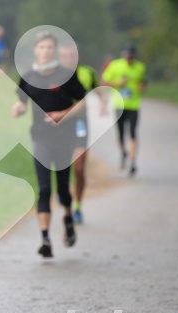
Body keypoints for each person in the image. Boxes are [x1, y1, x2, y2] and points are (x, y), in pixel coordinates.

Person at [11, 31, 86, 258]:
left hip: (64, 139)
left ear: (54, 50)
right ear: (36, 50)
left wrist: (63, 114)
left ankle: (68, 218)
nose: (45, 51)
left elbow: (84, 101)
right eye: (42, 47)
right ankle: (45, 239)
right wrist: (19, 108)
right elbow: (21, 100)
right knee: (44, 188)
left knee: (63, 188)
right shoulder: (28, 76)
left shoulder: (66, 75)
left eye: (49, 48)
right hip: (40, 138)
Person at [59, 42, 108, 224]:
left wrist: (103, 103)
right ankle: (61, 192)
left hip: (80, 123)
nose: (69, 59)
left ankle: (78, 205)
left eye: (72, 56)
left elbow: (99, 90)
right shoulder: (55, 74)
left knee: (79, 168)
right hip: (60, 125)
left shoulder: (87, 73)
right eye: (65, 56)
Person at [101, 44, 146, 176]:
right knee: (120, 134)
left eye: (131, 57)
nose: (129, 59)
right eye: (127, 57)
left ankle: (132, 162)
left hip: (134, 105)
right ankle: (123, 153)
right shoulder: (115, 65)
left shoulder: (140, 67)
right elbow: (104, 82)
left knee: (132, 133)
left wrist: (141, 86)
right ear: (123, 55)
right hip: (119, 105)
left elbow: (142, 82)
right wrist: (118, 83)